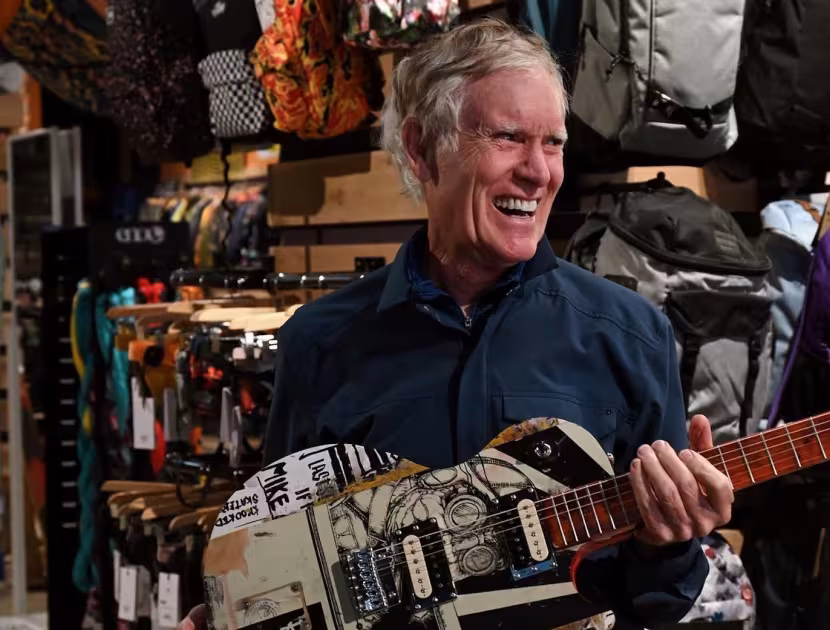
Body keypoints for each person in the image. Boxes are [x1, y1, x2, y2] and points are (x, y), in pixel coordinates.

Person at [179, 17, 733, 630]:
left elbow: (659, 600)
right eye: (507, 137)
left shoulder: (630, 336)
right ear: (422, 148)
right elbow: (276, 555)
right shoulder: (320, 340)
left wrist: (670, 539)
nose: (539, 170)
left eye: (552, 142)